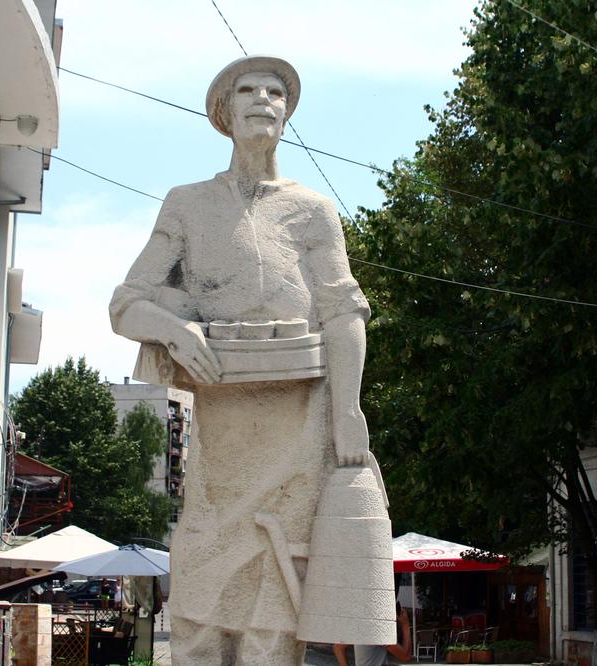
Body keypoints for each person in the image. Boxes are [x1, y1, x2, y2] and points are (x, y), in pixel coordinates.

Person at [110, 55, 374, 665]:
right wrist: (178, 334)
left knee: (274, 602)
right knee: (200, 598)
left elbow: (343, 311)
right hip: (220, 435)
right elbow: (127, 305)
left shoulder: (312, 209)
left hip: (298, 424)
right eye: (248, 90)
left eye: (275, 91)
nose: (263, 98)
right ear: (224, 113)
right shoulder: (187, 204)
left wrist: (349, 411)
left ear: (287, 111)